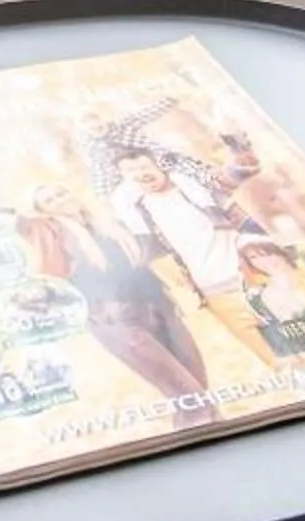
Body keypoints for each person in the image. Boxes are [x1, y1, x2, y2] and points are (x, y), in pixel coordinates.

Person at [18, 183, 218, 429]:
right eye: (50, 201)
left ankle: (202, 436)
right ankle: (211, 439)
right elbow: (24, 227)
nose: (60, 200)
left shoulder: (107, 226)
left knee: (197, 387)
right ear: (43, 213)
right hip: (117, 321)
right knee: (189, 395)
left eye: (61, 192)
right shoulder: (53, 233)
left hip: (158, 305)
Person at [107, 143, 287, 375]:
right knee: (273, 358)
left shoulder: (195, 186)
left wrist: (240, 158)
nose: (141, 173)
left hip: (255, 275)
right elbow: (153, 258)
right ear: (125, 179)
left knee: (297, 337)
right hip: (214, 291)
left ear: (157, 164)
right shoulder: (138, 215)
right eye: (131, 171)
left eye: (144, 166)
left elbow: (228, 184)